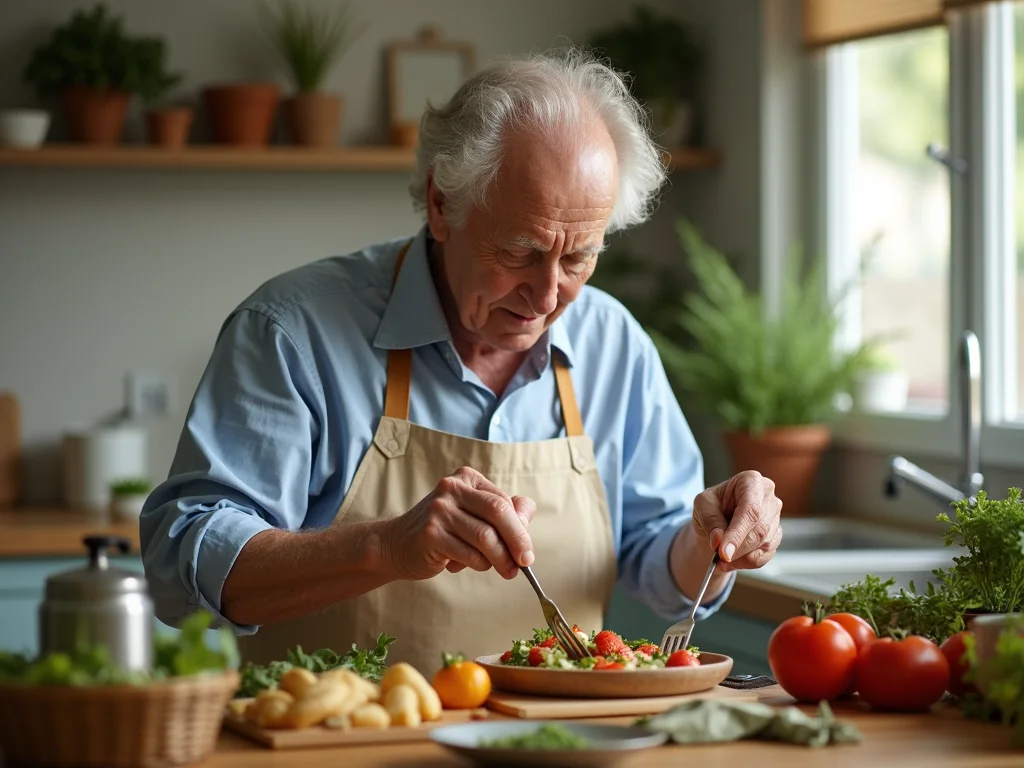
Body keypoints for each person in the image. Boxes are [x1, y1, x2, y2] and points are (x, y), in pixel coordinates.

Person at [140, 48, 783, 674]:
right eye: (521, 250)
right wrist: (385, 546)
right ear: (443, 204)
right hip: (337, 742)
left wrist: (711, 540)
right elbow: (185, 559)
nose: (549, 293)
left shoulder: (612, 343)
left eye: (580, 256)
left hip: (554, 744)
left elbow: (658, 564)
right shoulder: (291, 331)